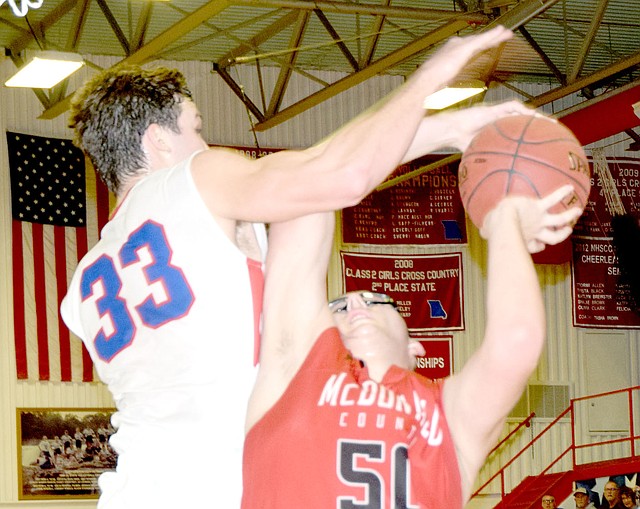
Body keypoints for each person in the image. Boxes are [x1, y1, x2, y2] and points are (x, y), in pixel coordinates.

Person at [61, 24, 532, 509]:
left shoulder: (83, 283)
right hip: (222, 489)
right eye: (196, 128)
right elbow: (337, 177)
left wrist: (445, 130)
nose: (205, 144)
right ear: (159, 140)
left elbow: (317, 173)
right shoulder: (195, 179)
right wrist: (427, 81)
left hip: (134, 489)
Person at [242, 180, 582, 508]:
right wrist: (345, 173)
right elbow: (304, 211)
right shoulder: (290, 381)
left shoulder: (446, 412)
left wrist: (505, 220)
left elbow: (517, 342)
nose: (357, 304)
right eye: (339, 307)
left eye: (376, 300)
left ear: (415, 347)